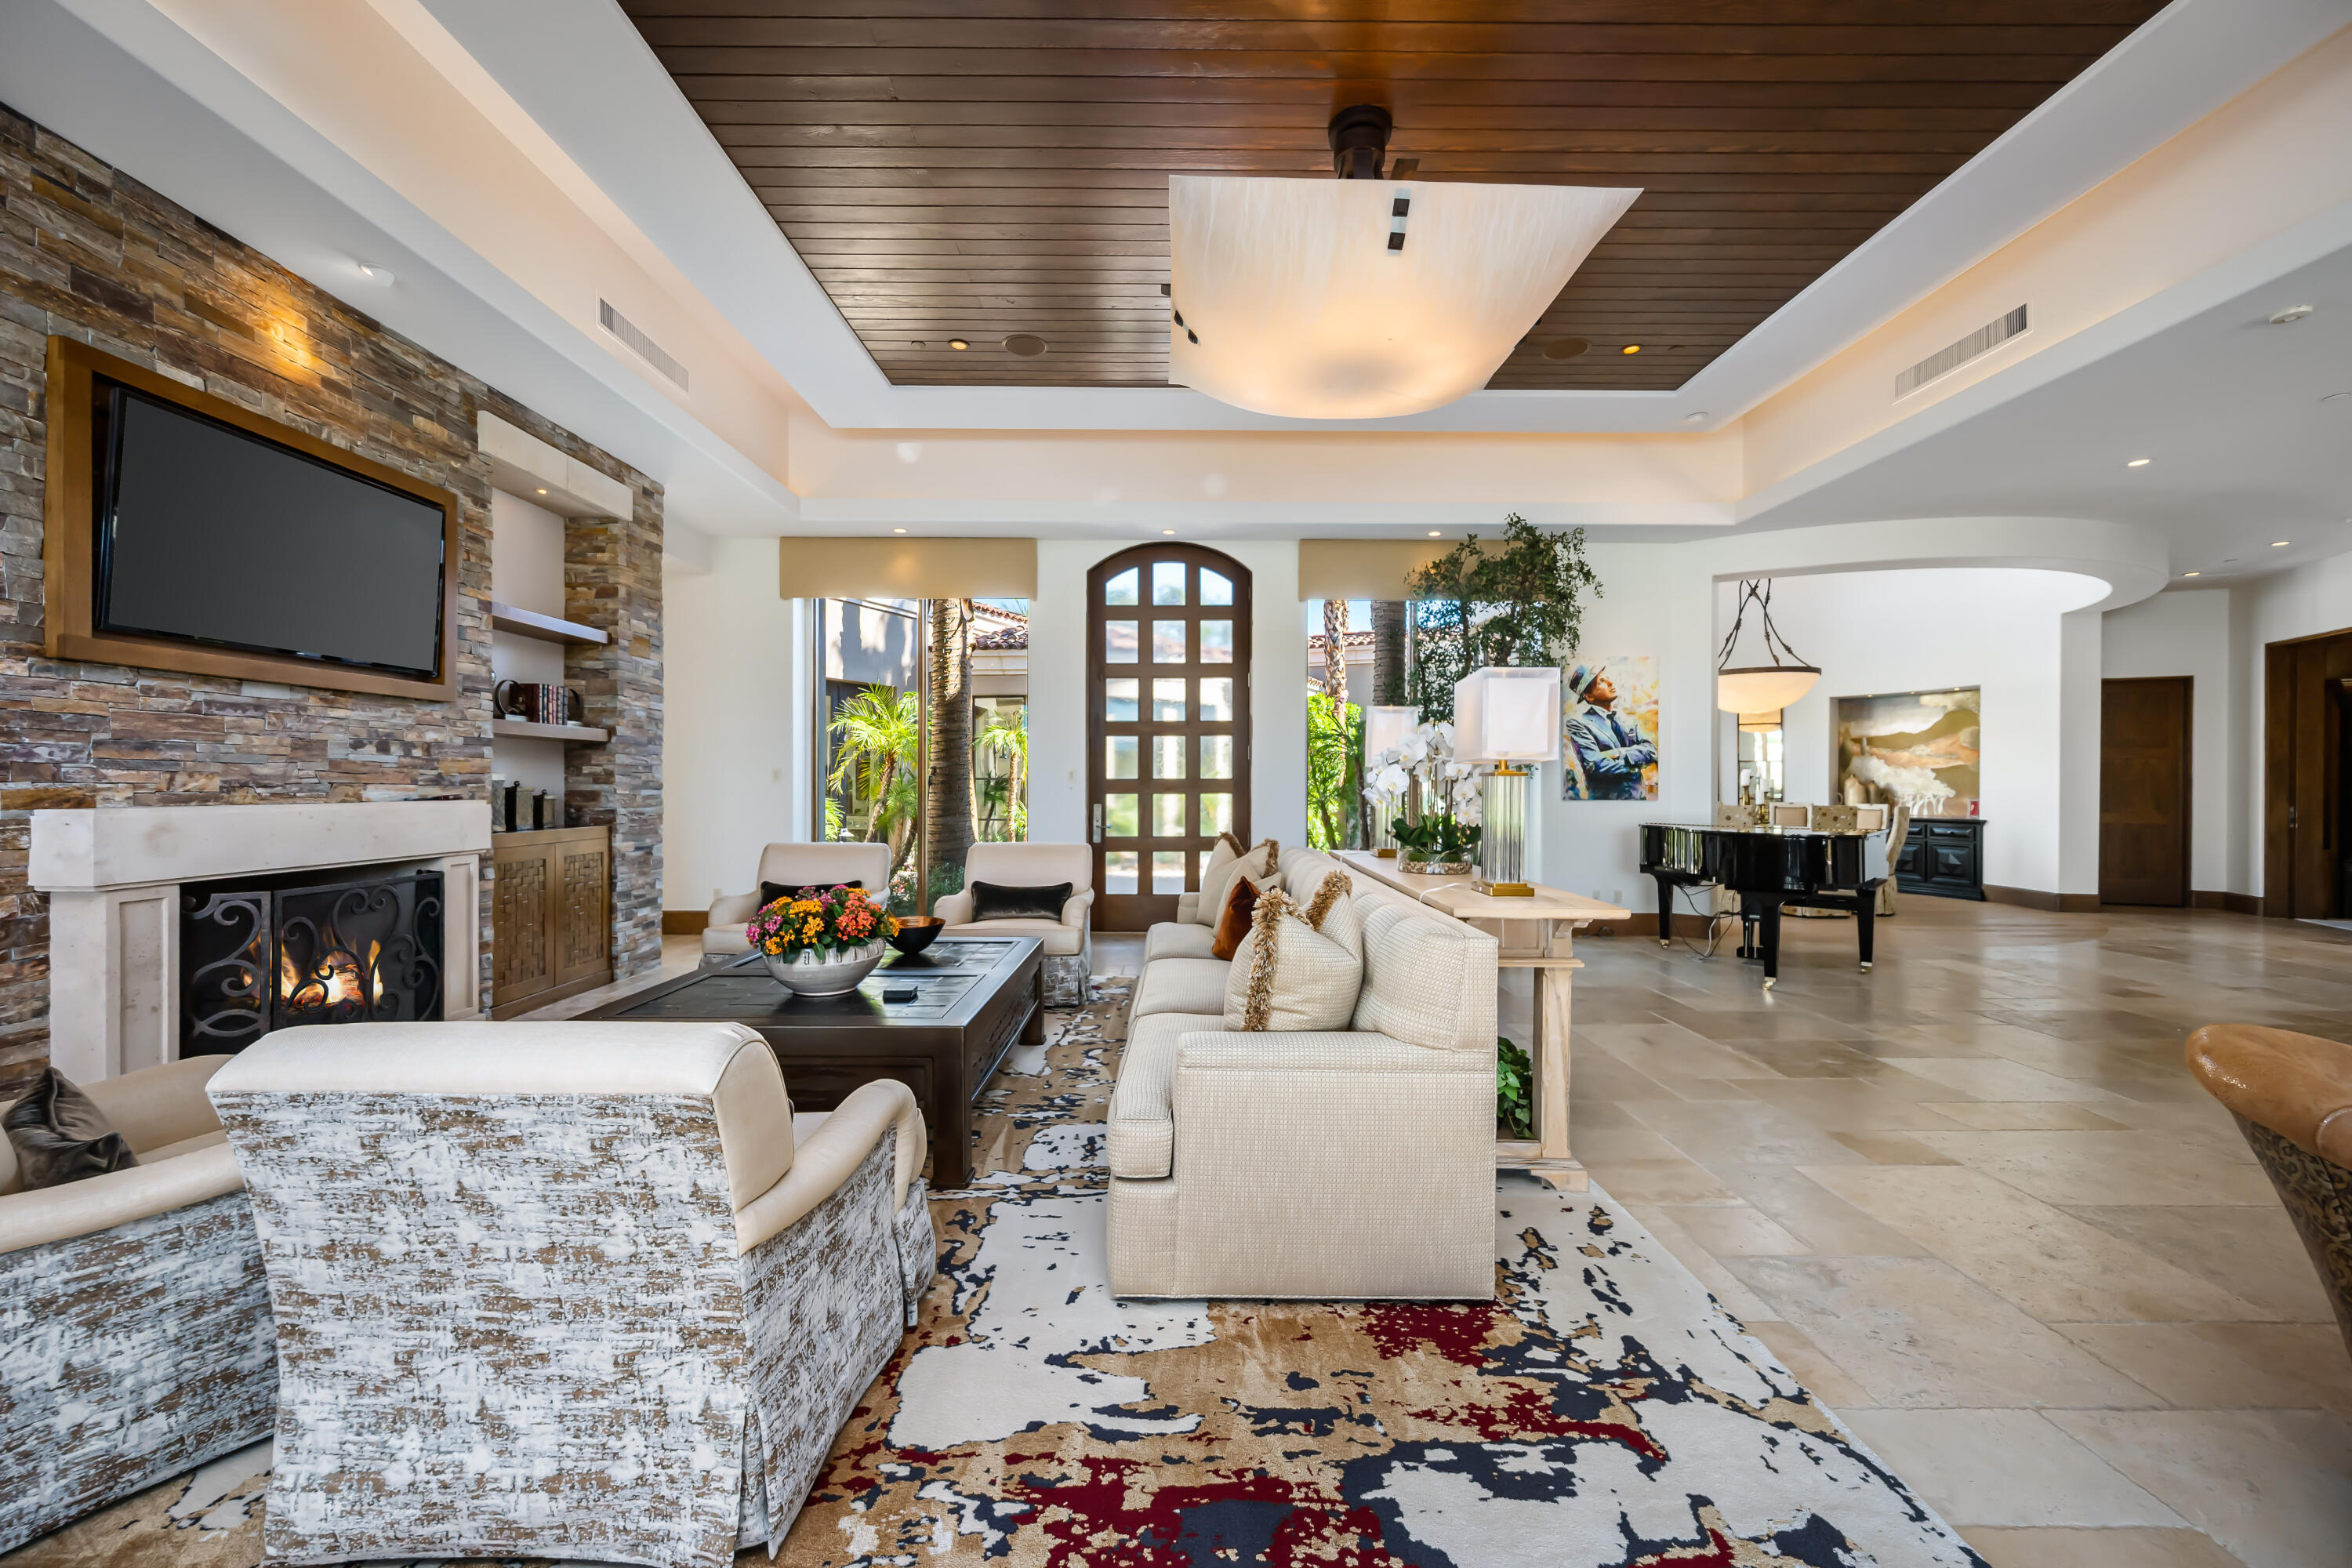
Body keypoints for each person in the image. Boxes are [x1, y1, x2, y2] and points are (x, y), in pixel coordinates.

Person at [1563, 662, 1656, 800]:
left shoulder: (1627, 720)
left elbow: (1651, 751)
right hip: (1605, 805)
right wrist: (1635, 767)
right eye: (1602, 681)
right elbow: (1596, 767)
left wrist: (1617, 753)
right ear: (1589, 696)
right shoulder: (1579, 724)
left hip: (1639, 802)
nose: (1611, 683)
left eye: (1608, 678)